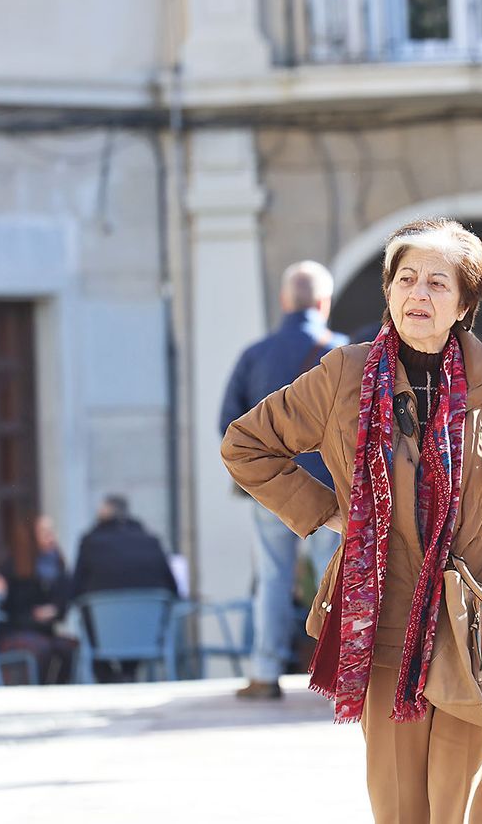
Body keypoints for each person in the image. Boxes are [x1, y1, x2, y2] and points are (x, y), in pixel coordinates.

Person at [223, 218, 482, 823]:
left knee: (467, 804)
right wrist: (330, 513)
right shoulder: (344, 374)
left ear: (463, 304)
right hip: (386, 619)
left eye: (438, 283)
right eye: (406, 279)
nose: (419, 293)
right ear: (388, 291)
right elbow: (246, 445)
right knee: (399, 807)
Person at [219, 260, 348, 699]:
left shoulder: (255, 354)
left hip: (273, 492)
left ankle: (265, 672)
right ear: (324, 303)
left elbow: (228, 424)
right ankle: (342, 672)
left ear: (284, 301)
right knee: (338, 579)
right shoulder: (342, 354)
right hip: (333, 491)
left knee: (272, 578)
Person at [71, 494, 179, 682]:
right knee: (138, 621)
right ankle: (127, 674)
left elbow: (74, 589)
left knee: (90, 617)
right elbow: (173, 588)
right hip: (146, 636)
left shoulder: (90, 542)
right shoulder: (151, 541)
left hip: (103, 636)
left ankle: (112, 678)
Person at [0, 514, 77, 684]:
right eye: (44, 532)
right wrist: (31, 615)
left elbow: (65, 599)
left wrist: (54, 610)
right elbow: (5, 606)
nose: (50, 536)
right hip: (15, 630)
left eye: (52, 531)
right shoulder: (13, 565)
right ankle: (38, 692)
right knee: (42, 649)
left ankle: (58, 690)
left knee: (67, 648)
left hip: (44, 631)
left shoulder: (57, 564)